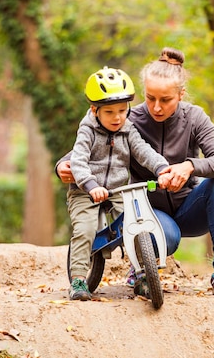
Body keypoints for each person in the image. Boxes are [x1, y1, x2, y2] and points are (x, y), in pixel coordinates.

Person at [57, 47, 214, 295]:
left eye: (165, 100)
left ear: (181, 95)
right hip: (147, 211)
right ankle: (141, 265)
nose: (156, 107)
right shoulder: (129, 118)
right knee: (167, 238)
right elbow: (86, 148)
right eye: (150, 97)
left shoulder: (195, 117)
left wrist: (189, 166)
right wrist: (61, 166)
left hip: (189, 206)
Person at [65, 66, 170, 301]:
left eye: (122, 110)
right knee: (85, 229)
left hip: (118, 190)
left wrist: (162, 168)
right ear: (95, 110)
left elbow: (144, 151)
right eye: (110, 112)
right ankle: (79, 279)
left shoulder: (127, 129)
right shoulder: (87, 131)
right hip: (85, 190)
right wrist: (90, 185)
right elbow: (78, 161)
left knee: (138, 223)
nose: (117, 117)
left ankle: (144, 275)